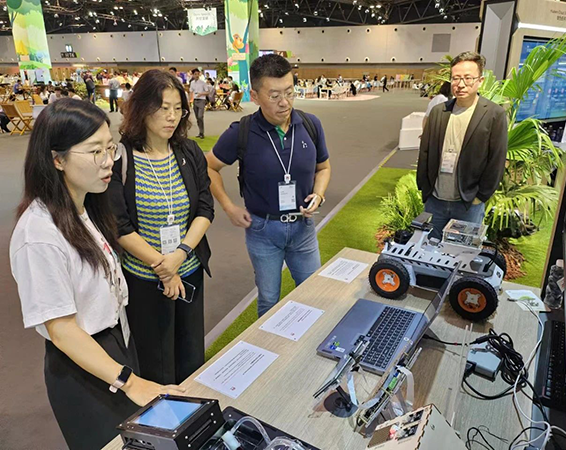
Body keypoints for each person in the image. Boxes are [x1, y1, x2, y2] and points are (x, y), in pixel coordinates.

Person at [9, 99, 185, 449]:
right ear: (57, 159)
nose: (108, 161)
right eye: (94, 151)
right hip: (81, 368)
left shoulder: (85, 206)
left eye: (110, 148)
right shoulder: (38, 234)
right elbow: (62, 331)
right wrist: (130, 382)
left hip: (116, 347)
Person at [108, 69, 214, 385]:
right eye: (163, 107)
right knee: (154, 362)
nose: (172, 116)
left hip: (189, 270)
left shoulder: (188, 152)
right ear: (141, 108)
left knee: (191, 355)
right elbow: (120, 225)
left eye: (177, 108)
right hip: (143, 279)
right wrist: (162, 268)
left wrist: (179, 256)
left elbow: (205, 208)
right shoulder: (121, 158)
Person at [206, 54, 331, 317]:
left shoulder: (311, 125)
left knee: (313, 294)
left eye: (289, 92)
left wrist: (318, 195)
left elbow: (324, 167)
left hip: (303, 228)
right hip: (262, 230)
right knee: (269, 300)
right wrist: (228, 207)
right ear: (254, 96)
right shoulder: (241, 132)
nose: (284, 102)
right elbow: (209, 167)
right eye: (274, 95)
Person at [417, 51, 508, 239]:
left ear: (480, 81)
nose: (461, 84)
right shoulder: (439, 112)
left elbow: (496, 160)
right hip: (435, 200)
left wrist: (480, 197)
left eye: (468, 78)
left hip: (468, 203)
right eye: (456, 78)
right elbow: (425, 151)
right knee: (429, 249)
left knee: (462, 251)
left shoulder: (493, 114)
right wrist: (425, 187)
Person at [189, 69, 209, 139]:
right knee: (197, 118)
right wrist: (189, 101)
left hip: (201, 100)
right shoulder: (192, 83)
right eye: (195, 74)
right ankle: (200, 132)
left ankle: (202, 132)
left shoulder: (203, 83)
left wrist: (201, 94)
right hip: (195, 100)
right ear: (193, 75)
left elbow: (207, 92)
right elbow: (191, 91)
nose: (196, 75)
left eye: (198, 74)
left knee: (200, 116)